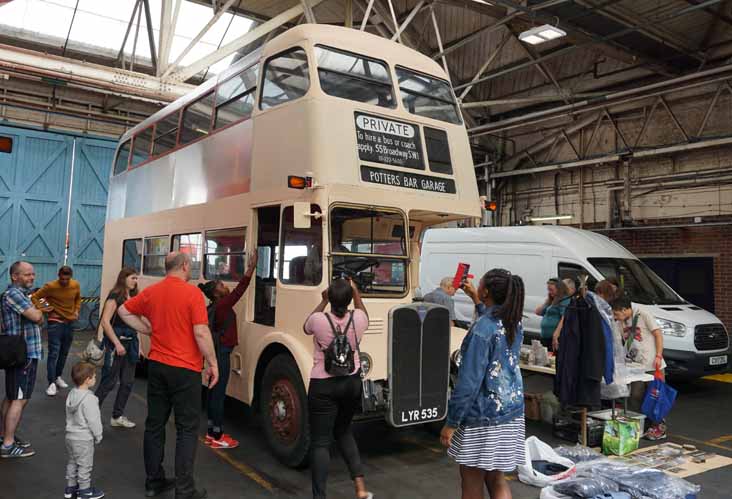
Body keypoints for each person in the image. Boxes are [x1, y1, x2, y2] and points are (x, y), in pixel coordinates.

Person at [118, 252, 218, 499]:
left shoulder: (152, 292)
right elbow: (201, 333)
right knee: (186, 429)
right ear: (185, 266)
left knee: (154, 424)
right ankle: (184, 490)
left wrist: (147, 329)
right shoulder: (193, 293)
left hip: (158, 366)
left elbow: (123, 310)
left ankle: (154, 482)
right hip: (185, 370)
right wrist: (213, 363)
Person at [441, 269, 526, 499]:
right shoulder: (513, 322)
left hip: (483, 416)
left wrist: (452, 422)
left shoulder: (482, 330)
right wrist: (476, 301)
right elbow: (490, 321)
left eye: (480, 285)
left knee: (471, 478)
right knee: (496, 477)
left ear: (486, 291)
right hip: (510, 412)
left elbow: (469, 382)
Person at [303, 278, 373, 499]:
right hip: (351, 383)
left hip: (323, 384)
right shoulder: (359, 319)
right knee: (343, 431)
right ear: (350, 299)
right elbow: (364, 313)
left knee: (321, 443)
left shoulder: (318, 320)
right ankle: (360, 489)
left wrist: (323, 300)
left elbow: (305, 327)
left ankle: (319, 496)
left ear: (330, 298)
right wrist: (356, 293)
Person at [198, 251, 258, 449]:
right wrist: (250, 269)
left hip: (217, 351)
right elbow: (240, 290)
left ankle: (210, 432)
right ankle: (218, 435)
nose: (226, 287)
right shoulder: (223, 305)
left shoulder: (213, 306)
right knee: (219, 394)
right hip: (222, 353)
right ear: (216, 293)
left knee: (213, 391)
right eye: (222, 286)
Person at [1, 261, 43, 459]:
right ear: (14, 276)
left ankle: (4, 436)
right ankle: (8, 445)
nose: (32, 277)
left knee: (11, 396)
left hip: (20, 353)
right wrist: (40, 311)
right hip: (23, 354)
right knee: (19, 398)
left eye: (32, 274)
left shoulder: (21, 294)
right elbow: (36, 316)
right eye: (27, 274)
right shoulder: (15, 294)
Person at [611, 296, 667, 441]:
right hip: (634, 365)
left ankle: (659, 425)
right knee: (635, 395)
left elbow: (657, 334)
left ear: (624, 310)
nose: (615, 317)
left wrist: (659, 355)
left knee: (654, 396)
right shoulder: (620, 322)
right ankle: (644, 423)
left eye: (617, 314)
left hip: (652, 363)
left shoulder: (642, 313)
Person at [95, 268, 142, 429]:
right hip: (116, 344)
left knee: (127, 382)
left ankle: (117, 416)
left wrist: (139, 346)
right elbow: (105, 322)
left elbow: (136, 323)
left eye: (136, 278)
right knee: (109, 381)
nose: (135, 281)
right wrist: (117, 343)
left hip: (131, 343)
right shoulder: (115, 296)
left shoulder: (135, 297)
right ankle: (90, 417)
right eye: (132, 278)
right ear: (123, 278)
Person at [32, 266, 81, 397]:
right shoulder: (51, 286)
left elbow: (78, 299)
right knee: (54, 353)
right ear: (58, 275)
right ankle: (51, 383)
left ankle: (58, 376)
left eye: (67, 279)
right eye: (62, 278)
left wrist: (76, 310)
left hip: (70, 323)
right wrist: (45, 308)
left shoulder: (75, 285)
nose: (64, 281)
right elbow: (35, 297)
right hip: (55, 322)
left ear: (71, 277)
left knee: (64, 352)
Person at [65, 361, 104, 499]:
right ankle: (84, 490)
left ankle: (70, 488)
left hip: (70, 436)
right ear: (87, 380)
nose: (95, 378)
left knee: (72, 462)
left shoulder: (71, 394)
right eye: (93, 376)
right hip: (83, 438)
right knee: (85, 465)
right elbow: (93, 420)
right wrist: (98, 435)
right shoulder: (90, 399)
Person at [538, 279, 570, 350]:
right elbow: (538, 312)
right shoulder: (552, 300)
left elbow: (564, 317)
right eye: (548, 290)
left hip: (554, 337)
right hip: (545, 336)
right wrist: (547, 301)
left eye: (551, 290)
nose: (549, 292)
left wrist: (556, 334)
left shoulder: (564, 299)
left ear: (559, 289)